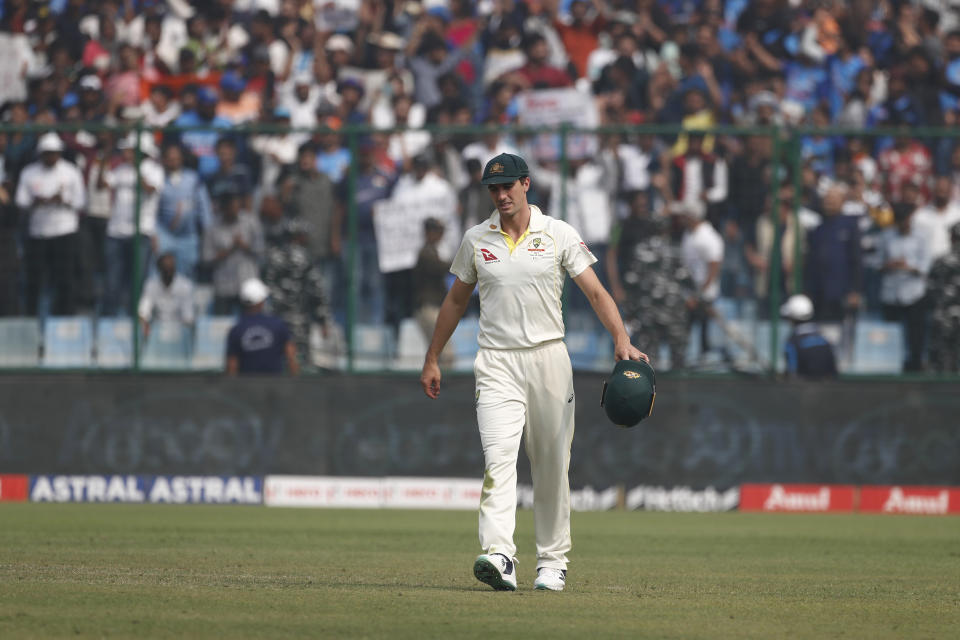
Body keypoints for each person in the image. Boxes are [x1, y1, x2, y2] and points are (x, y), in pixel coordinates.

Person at [419, 153, 648, 592]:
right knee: (499, 460)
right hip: (496, 362)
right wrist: (432, 357)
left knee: (550, 465)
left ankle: (552, 561)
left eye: (508, 186)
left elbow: (597, 293)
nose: (501, 195)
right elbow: (454, 302)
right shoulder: (475, 239)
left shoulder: (558, 233)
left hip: (548, 359)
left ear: (526, 185)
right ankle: (501, 555)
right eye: (493, 188)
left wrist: (621, 338)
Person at [15, 132, 86, 316]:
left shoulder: (71, 171)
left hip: (64, 231)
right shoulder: (29, 172)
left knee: (65, 279)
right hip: (38, 233)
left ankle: (64, 320)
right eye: (47, 153)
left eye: (54, 152)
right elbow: (20, 201)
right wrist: (36, 202)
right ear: (41, 153)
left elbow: (81, 202)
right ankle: (32, 321)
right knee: (35, 280)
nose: (51, 156)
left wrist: (63, 200)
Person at [879, 203, 931, 372]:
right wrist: (889, 264)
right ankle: (890, 365)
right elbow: (877, 263)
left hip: (914, 292)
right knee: (891, 332)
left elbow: (925, 266)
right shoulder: (886, 237)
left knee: (916, 334)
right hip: (891, 292)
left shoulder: (921, 237)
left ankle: (915, 366)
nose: (903, 224)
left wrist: (908, 266)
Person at [226, 277, 299, 376]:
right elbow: (291, 358)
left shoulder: (236, 330)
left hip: (245, 389)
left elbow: (232, 367)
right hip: (276, 388)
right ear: (262, 301)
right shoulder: (278, 324)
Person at [412, 217, 453, 366]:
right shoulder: (425, 253)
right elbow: (441, 267)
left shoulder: (433, 251)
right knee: (445, 352)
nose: (440, 235)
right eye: (437, 231)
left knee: (442, 353)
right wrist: (463, 261)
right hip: (428, 308)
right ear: (428, 233)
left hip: (435, 306)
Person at [138, 252, 196, 339]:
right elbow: (143, 311)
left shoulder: (185, 286)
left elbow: (188, 317)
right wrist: (145, 325)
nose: (169, 273)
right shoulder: (151, 284)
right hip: (156, 332)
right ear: (160, 270)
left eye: (171, 269)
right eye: (166, 270)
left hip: (179, 333)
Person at [780, 294, 838, 380]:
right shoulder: (825, 339)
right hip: (828, 391)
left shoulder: (792, 343)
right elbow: (834, 372)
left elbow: (792, 374)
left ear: (792, 319)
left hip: (801, 391)